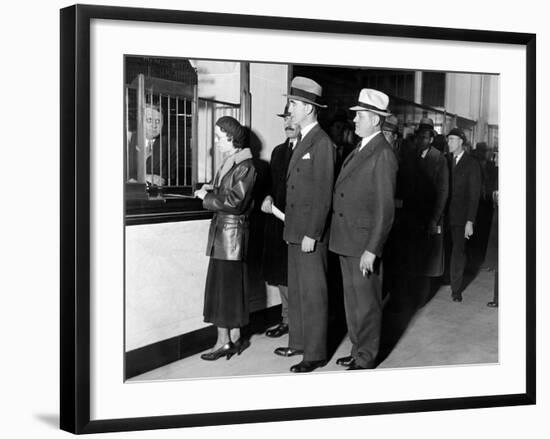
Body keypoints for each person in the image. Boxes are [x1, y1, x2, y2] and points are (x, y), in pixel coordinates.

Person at [329, 88, 398, 370]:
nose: (354, 120)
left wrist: (372, 248)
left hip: (363, 244)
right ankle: (358, 348)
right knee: (353, 302)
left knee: (367, 304)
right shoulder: (362, 148)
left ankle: (366, 357)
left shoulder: (382, 153)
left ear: (375, 119)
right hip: (347, 239)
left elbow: (385, 209)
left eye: (359, 116)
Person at [274, 76, 335, 373]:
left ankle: (315, 352)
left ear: (309, 108)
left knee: (313, 294)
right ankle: (297, 341)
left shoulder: (321, 142)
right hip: (295, 231)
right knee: (297, 292)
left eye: (294, 104)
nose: (290, 109)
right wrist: (293, 231)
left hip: (310, 233)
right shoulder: (303, 139)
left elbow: (324, 192)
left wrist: (313, 232)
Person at [194, 116, 257, 360]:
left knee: (225, 291)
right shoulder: (232, 162)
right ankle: (231, 338)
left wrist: (205, 198)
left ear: (232, 139)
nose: (217, 142)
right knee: (224, 290)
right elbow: (226, 191)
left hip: (232, 238)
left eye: (220, 138)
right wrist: (210, 189)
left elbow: (235, 202)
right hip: (224, 236)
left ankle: (225, 342)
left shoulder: (246, 166)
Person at [401, 118, 449, 307]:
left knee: (426, 260)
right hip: (411, 216)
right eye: (419, 137)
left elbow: (443, 191)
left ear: (431, 139)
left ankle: (420, 299)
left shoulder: (439, 159)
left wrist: (434, 219)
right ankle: (410, 296)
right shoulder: (410, 155)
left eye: (425, 137)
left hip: (428, 217)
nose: (421, 140)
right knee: (410, 257)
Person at [260, 105, 299, 338]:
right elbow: (271, 185)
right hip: (277, 219)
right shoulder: (278, 151)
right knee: (282, 275)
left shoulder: (309, 149)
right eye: (285, 117)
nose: (288, 123)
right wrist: (268, 196)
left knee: (295, 276)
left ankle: (297, 322)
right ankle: (287, 319)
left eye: (292, 118)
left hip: (298, 223)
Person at [445, 127, 481, 302]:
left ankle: (456, 289)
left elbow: (474, 196)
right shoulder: (445, 160)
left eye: (452, 139)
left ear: (461, 142)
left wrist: (470, 221)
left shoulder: (472, 163)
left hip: (461, 218)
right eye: (448, 139)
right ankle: (446, 279)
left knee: (458, 252)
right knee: (445, 250)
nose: (448, 143)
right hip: (445, 216)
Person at [127, 104, 175, 186]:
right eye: (149, 120)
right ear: (141, 121)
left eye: (158, 121)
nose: (154, 125)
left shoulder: (169, 143)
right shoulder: (129, 139)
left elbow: (169, 177)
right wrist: (145, 177)